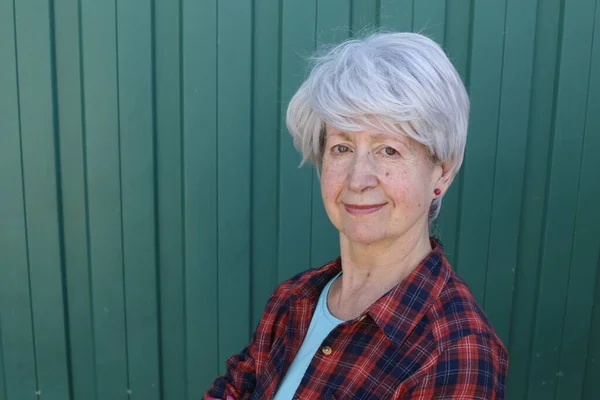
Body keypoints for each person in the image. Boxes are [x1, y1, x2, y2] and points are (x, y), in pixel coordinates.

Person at [205, 32, 508, 399]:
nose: (357, 178)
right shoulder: (293, 301)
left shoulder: (455, 353)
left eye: (389, 150)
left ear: (442, 172)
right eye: (342, 147)